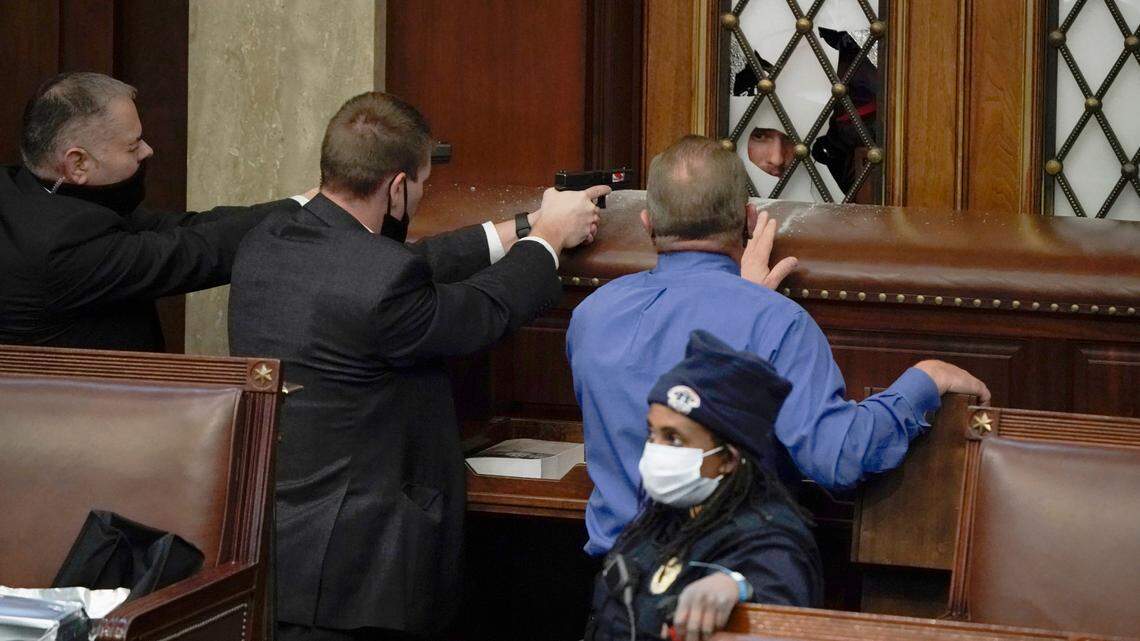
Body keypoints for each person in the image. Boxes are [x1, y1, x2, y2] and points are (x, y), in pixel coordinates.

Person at [227, 91, 607, 641]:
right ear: (398, 186)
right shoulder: (381, 282)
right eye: (424, 184)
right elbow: (479, 313)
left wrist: (522, 226)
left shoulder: (268, 242)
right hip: (361, 577)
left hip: (277, 550)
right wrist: (548, 242)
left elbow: (397, 265)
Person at [567, 135, 990, 557]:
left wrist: (743, 300)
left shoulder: (592, 315)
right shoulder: (774, 321)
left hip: (619, 595)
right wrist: (924, 380)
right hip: (733, 596)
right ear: (750, 219)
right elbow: (839, 458)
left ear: (648, 223)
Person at [0, 71, 304, 351]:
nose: (148, 150)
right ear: (78, 163)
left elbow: (181, 227)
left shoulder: (33, 189)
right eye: (132, 147)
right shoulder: (61, 246)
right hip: (85, 407)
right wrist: (319, 209)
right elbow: (193, 252)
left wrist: (301, 203)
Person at [586, 330, 822, 641]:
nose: (656, 450)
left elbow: (774, 588)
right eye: (652, 434)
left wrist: (735, 583)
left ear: (727, 459)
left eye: (674, 439)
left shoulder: (772, 538)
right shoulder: (668, 517)